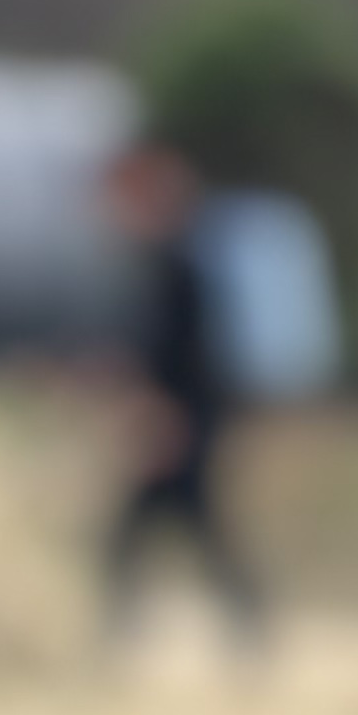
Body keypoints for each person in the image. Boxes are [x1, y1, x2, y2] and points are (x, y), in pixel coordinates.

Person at [100, 138, 265, 650]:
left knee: (169, 531)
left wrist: (168, 415)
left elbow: (187, 354)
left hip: (183, 420)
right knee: (180, 531)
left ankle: (125, 635)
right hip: (185, 417)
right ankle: (244, 629)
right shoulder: (174, 263)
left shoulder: (181, 269)